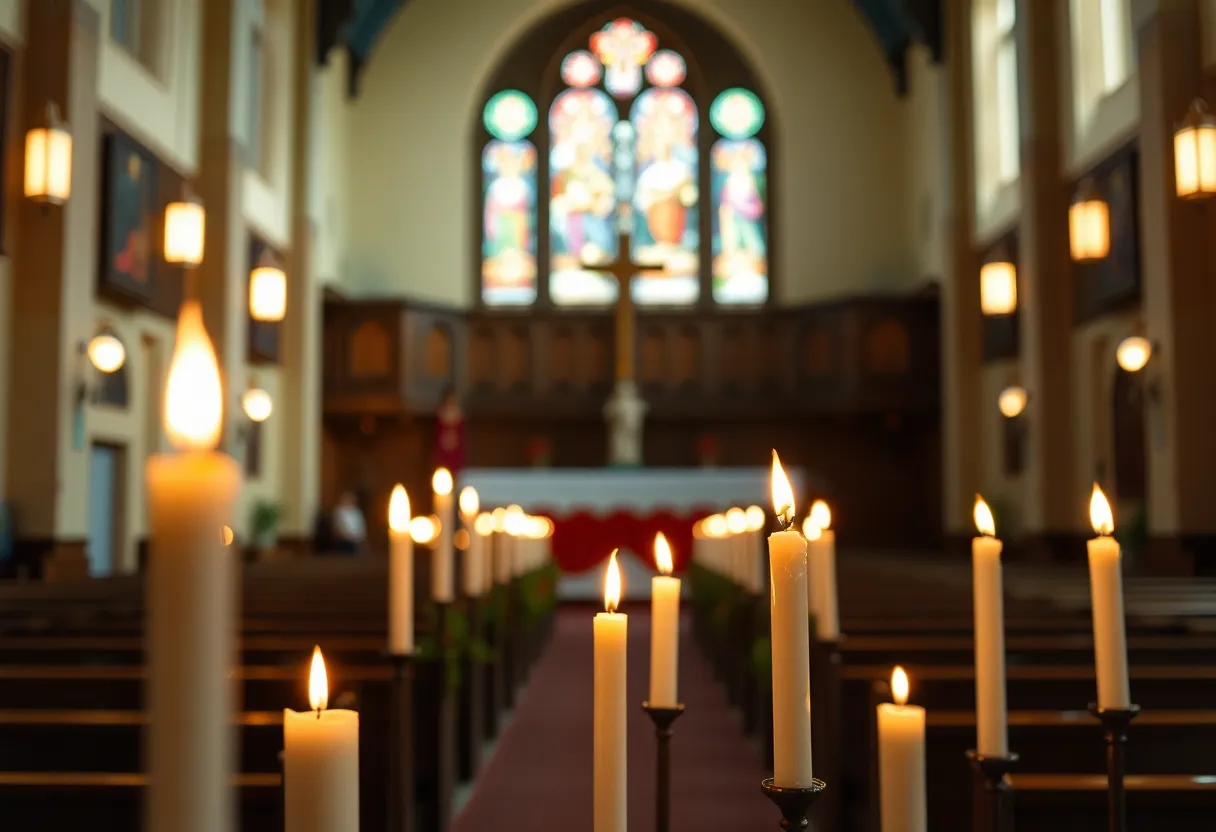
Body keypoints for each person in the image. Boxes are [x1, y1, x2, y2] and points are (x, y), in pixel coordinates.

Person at [435, 389, 466, 475]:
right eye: (448, 405)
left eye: (453, 405)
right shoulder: (440, 423)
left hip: (456, 465)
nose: (450, 410)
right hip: (442, 464)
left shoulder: (460, 424)